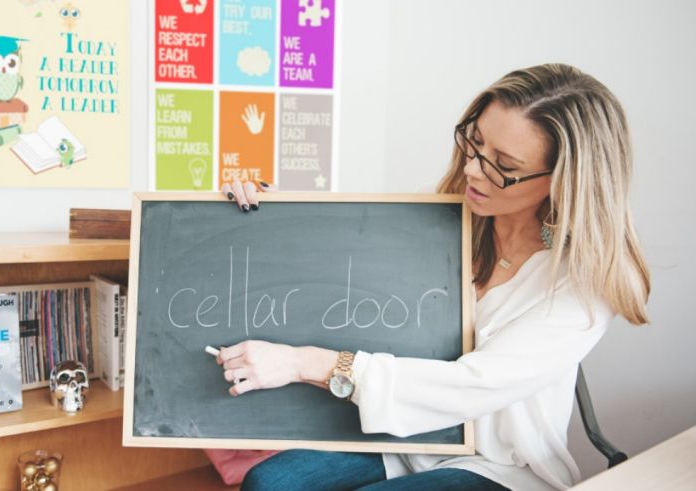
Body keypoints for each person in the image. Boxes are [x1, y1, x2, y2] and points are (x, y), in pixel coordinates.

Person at [218, 63, 651, 491]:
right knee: (270, 481)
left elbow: (471, 386)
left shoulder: (585, 283)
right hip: (403, 442)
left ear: (564, 181)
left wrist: (305, 363)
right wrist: (269, 212)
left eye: (503, 164)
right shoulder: (445, 213)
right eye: (475, 142)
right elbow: (346, 250)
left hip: (498, 465)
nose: (474, 170)